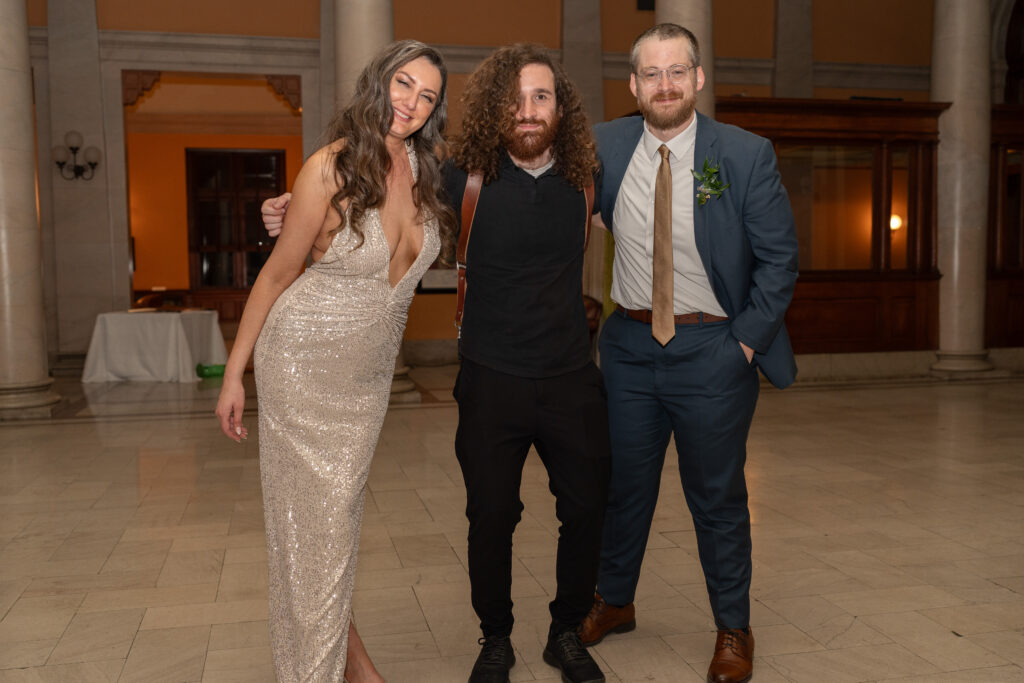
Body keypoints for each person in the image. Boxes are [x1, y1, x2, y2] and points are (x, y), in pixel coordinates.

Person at [264, 43, 610, 683]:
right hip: (488, 376)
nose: (528, 111)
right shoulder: (460, 176)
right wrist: (287, 210)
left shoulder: (590, 177)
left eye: (542, 97)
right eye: (515, 99)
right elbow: (371, 190)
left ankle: (566, 633)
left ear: (563, 108)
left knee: (587, 507)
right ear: (493, 109)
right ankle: (496, 638)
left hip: (571, 378)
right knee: (491, 515)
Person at [215, 39, 456, 682]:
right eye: (404, 84)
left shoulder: (427, 173)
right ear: (379, 83)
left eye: (427, 95)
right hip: (302, 365)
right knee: (316, 533)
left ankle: (357, 669)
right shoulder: (331, 167)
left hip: (368, 381)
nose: (412, 102)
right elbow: (274, 276)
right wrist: (235, 373)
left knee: (328, 535)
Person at [578, 24, 798, 683]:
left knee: (717, 496)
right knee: (622, 488)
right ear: (634, 85)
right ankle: (614, 600)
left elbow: (780, 260)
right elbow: (538, 197)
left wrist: (744, 343)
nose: (665, 84)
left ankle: (734, 626)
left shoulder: (743, 154)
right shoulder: (605, 147)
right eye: (652, 74)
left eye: (678, 71)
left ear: (698, 78)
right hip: (629, 348)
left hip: (713, 348)